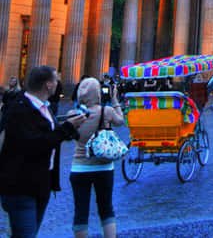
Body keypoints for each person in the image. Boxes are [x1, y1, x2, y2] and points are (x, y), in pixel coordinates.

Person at [0, 65, 87, 237]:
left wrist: (70, 129)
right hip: (20, 185)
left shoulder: (43, 107)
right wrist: (67, 127)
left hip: (40, 184)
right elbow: (34, 144)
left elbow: (49, 135)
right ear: (48, 85)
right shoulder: (20, 109)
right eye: (56, 80)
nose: (58, 84)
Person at [70, 77, 125, 238]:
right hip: (103, 167)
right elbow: (120, 121)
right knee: (106, 209)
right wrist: (115, 100)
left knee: (80, 211)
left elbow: (67, 136)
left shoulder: (73, 114)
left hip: (79, 166)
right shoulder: (106, 111)